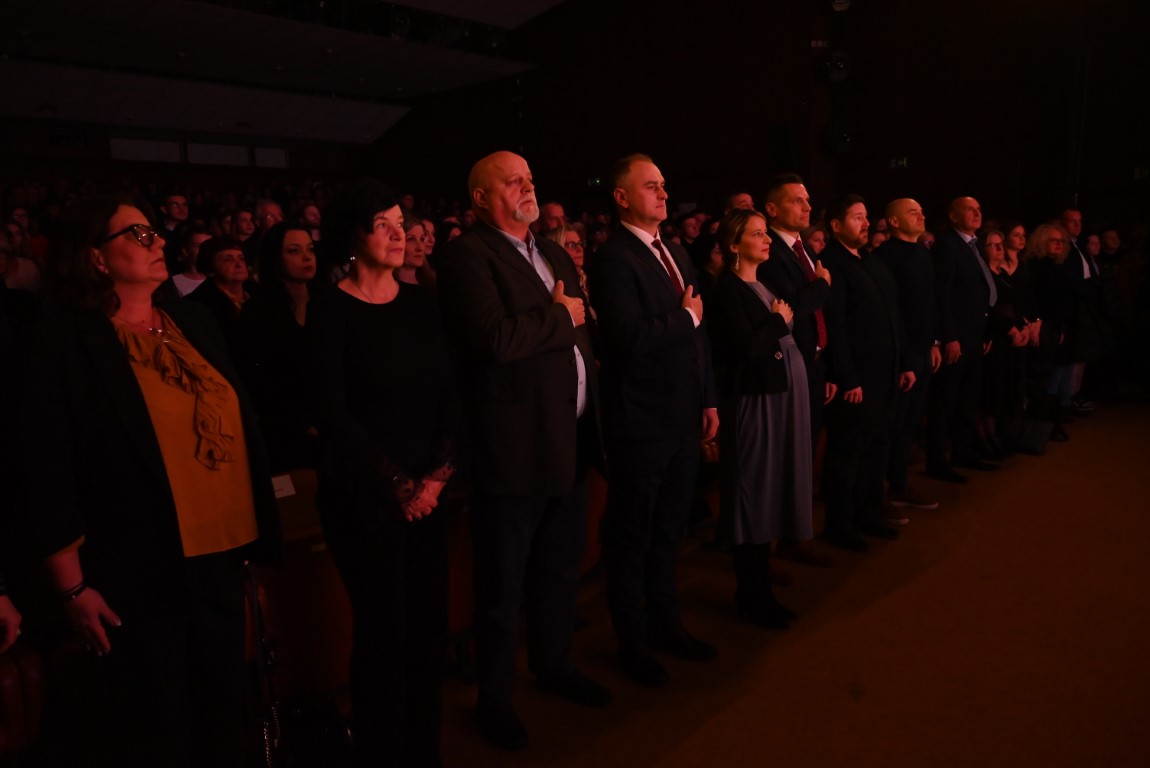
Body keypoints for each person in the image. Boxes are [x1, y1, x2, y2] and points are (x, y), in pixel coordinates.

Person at [18, 195, 281, 767]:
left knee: (226, 716)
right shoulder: (66, 339)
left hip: (221, 554)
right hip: (139, 566)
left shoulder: (194, 319)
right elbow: (47, 465)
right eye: (139, 235)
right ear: (96, 257)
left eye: (155, 232)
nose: (159, 241)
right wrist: (71, 588)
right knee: (162, 726)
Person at [436, 152, 608, 751]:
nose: (527, 187)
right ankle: (495, 701)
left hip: (569, 436)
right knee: (503, 589)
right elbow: (495, 340)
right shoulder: (467, 256)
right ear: (481, 198)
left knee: (561, 569)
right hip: (514, 449)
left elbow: (581, 334)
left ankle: (554, 665)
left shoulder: (553, 254)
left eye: (530, 179)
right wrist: (558, 316)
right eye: (513, 181)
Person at [308, 180, 460, 767]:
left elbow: (451, 396)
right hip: (365, 500)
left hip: (429, 496)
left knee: (427, 632)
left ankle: (424, 752)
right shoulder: (330, 308)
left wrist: (435, 480)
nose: (400, 235)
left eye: (402, 223)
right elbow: (333, 413)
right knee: (382, 635)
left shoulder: (423, 303)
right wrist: (398, 486)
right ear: (354, 235)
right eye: (383, 225)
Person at [587, 153, 719, 688]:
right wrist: (685, 316)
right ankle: (633, 642)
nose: (664, 194)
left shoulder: (675, 250)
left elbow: (699, 336)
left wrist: (708, 398)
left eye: (664, 185)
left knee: (670, 531)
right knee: (632, 537)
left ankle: (667, 624)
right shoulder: (613, 259)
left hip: (684, 415)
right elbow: (628, 339)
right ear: (621, 198)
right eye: (651, 186)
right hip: (641, 422)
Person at [708, 209, 809, 629]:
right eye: (756, 234)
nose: (767, 240)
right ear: (734, 245)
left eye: (767, 233)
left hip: (779, 397)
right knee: (753, 492)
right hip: (755, 401)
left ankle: (761, 587)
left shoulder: (762, 284)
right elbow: (746, 347)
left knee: (771, 489)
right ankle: (751, 594)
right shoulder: (727, 289)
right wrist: (778, 320)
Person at [820, 194, 912, 552]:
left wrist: (903, 363)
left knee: (875, 447)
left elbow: (893, 314)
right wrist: (848, 377)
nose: (866, 223)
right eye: (856, 217)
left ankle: (867, 510)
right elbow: (836, 326)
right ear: (836, 225)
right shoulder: (833, 263)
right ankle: (839, 523)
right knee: (847, 452)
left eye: (866, 216)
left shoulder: (870, 260)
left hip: (884, 374)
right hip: (857, 379)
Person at [756, 174, 835, 567]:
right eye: (796, 201)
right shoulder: (769, 251)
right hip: (788, 365)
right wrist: (821, 286)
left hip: (813, 362)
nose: (807, 207)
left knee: (805, 454)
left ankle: (794, 536)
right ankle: (772, 544)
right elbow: (789, 309)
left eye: (807, 200)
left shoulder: (802, 249)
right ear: (772, 209)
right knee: (785, 459)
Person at [873, 199, 940, 512]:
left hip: (922, 349)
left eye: (922, 211)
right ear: (894, 221)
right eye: (913, 212)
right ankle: (879, 491)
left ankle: (899, 484)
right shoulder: (886, 256)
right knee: (892, 425)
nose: (921, 216)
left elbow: (928, 303)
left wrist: (934, 342)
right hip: (903, 354)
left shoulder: (922, 252)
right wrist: (904, 359)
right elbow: (893, 312)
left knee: (910, 423)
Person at [926, 196, 998, 482]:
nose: (977, 213)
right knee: (946, 401)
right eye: (970, 209)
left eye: (979, 209)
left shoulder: (974, 245)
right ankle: (936, 460)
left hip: (975, 336)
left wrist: (985, 333)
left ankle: (963, 451)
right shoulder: (947, 245)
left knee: (968, 399)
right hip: (956, 338)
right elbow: (941, 295)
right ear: (954, 216)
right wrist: (949, 337)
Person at [238, 223, 321, 472]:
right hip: (285, 433)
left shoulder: (328, 302)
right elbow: (257, 379)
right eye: (294, 251)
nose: (307, 257)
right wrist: (301, 422)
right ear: (276, 257)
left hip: (332, 425)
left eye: (310, 249)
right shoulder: (259, 311)